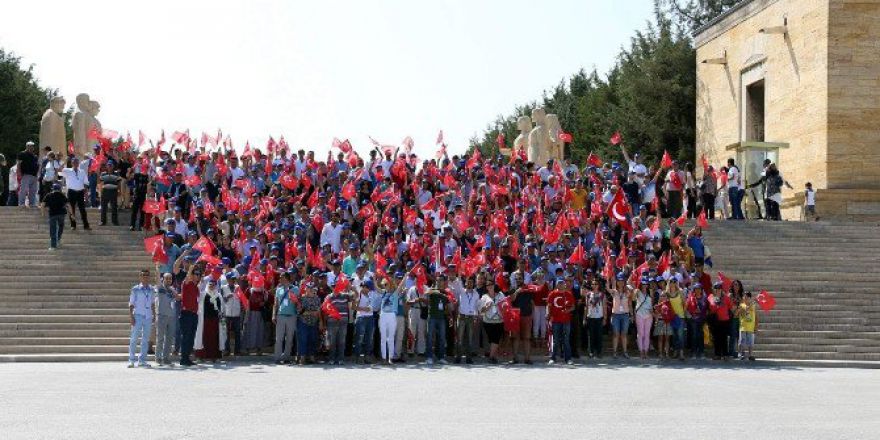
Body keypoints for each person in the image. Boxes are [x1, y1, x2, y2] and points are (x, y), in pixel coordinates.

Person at [128, 269, 156, 368]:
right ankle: (131, 360)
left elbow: (152, 303)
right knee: (134, 338)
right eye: (143, 275)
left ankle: (142, 360)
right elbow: (131, 304)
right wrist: (131, 316)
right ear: (140, 277)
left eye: (147, 275)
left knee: (145, 339)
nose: (145, 277)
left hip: (148, 316)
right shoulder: (135, 289)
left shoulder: (152, 289)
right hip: (138, 315)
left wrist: (154, 315)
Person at [195, 274, 225, 362]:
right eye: (210, 285)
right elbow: (198, 300)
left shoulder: (219, 295)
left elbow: (222, 307)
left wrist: (222, 316)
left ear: (216, 286)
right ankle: (202, 356)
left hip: (216, 320)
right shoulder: (203, 294)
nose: (211, 286)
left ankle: (214, 356)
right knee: (205, 337)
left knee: (215, 339)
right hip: (205, 320)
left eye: (213, 285)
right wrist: (200, 282)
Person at [546, 278, 575, 365]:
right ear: (557, 284)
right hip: (556, 320)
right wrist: (548, 315)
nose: (561, 284)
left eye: (562, 283)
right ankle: (553, 358)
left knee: (566, 340)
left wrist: (568, 310)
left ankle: (568, 359)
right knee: (555, 340)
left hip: (566, 320)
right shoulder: (552, 294)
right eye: (559, 283)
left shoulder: (569, 294)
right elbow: (549, 306)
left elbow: (573, 307)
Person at [424, 276, 451, 365]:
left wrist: (449, 314)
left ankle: (441, 357)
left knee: (442, 338)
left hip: (441, 318)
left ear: (444, 282)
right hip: (432, 317)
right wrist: (439, 293)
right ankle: (429, 357)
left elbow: (448, 306)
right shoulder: (432, 289)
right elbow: (427, 292)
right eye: (438, 280)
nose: (439, 282)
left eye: (441, 280)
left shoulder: (446, 292)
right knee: (430, 337)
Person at [273, 271, 298, 364]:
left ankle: (286, 357)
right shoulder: (278, 290)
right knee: (279, 338)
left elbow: (298, 303)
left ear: (286, 278)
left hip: (292, 316)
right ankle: (277, 357)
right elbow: (275, 304)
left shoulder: (295, 289)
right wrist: (273, 315)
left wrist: (295, 301)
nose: (280, 279)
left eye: (281, 277)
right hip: (281, 316)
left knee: (290, 338)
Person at [177, 265, 200, 366]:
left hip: (194, 314)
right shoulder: (186, 283)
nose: (198, 276)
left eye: (199, 274)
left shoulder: (196, 287)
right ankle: (183, 358)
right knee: (186, 337)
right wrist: (191, 269)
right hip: (186, 314)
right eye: (196, 274)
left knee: (191, 337)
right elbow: (187, 277)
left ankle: (187, 358)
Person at [455, 275, 480, 364]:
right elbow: (457, 281)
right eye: (468, 282)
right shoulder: (461, 291)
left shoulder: (476, 294)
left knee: (469, 339)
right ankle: (458, 357)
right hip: (461, 317)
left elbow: (476, 306)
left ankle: (468, 358)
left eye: (471, 282)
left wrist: (476, 317)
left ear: (473, 283)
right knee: (460, 339)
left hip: (470, 318)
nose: (469, 283)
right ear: (465, 283)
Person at [154, 272, 178, 366]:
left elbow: (178, 297)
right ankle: (158, 358)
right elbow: (157, 279)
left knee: (169, 339)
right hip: (162, 316)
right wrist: (157, 269)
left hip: (171, 316)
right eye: (167, 278)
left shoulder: (172, 289)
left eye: (170, 278)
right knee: (160, 338)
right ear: (163, 279)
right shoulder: (160, 287)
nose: (169, 280)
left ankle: (166, 358)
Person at [59, 157, 90, 230]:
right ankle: (73, 225)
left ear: (78, 163)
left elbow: (86, 182)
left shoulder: (82, 171)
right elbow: (59, 170)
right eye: (74, 162)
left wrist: (86, 193)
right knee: (71, 209)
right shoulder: (67, 170)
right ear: (71, 163)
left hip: (80, 192)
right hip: (71, 192)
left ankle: (86, 225)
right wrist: (65, 161)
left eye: (77, 162)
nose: (75, 163)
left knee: (82, 209)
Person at [478, 282, 505, 364]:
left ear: (494, 285)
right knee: (492, 340)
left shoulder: (500, 295)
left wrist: (503, 306)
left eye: (491, 285)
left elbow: (506, 304)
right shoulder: (484, 297)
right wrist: (486, 307)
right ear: (486, 287)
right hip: (488, 321)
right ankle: (493, 356)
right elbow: (481, 311)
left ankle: (491, 357)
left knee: (496, 339)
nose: (490, 286)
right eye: (488, 285)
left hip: (499, 320)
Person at [296, 282, 322, 365]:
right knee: (303, 339)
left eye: (312, 288)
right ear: (305, 289)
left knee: (313, 339)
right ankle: (302, 357)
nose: (310, 290)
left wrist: (321, 321)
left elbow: (319, 311)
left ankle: (312, 357)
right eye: (309, 288)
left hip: (314, 322)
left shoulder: (317, 298)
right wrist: (311, 313)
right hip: (303, 322)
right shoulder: (301, 298)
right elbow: (300, 311)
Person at [608, 275, 633, 358]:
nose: (620, 282)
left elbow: (630, 304)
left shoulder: (627, 292)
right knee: (616, 334)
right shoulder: (614, 291)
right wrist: (609, 278)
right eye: (619, 281)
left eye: (622, 281)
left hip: (625, 315)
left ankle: (625, 352)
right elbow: (607, 288)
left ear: (624, 282)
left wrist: (632, 315)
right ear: (617, 282)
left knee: (624, 334)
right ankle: (614, 352)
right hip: (616, 315)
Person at [584, 277, 607, 358]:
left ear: (598, 285)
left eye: (596, 284)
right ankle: (591, 351)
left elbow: (604, 307)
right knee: (591, 336)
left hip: (599, 317)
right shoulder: (588, 294)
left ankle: (599, 352)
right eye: (593, 284)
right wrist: (584, 318)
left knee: (599, 336)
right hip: (590, 317)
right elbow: (586, 307)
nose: (594, 285)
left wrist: (605, 318)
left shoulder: (602, 295)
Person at [40, 183, 68, 250]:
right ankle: (58, 239)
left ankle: (53, 246)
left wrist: (43, 213)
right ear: (60, 189)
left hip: (52, 214)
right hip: (61, 214)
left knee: (53, 230)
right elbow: (68, 205)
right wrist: (72, 214)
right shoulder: (62, 195)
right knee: (61, 226)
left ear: (53, 189)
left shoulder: (48, 195)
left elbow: (42, 204)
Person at [633, 278, 653, 359]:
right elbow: (633, 299)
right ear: (641, 285)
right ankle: (641, 352)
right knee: (641, 334)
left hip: (649, 315)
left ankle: (646, 352)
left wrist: (652, 310)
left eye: (646, 284)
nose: (644, 285)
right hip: (639, 314)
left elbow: (651, 303)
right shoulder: (638, 292)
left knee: (647, 334)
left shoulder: (650, 292)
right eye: (643, 284)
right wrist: (635, 291)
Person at [17, 141, 39, 208]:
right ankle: (21, 204)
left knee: (33, 190)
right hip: (26, 174)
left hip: (34, 175)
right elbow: (18, 164)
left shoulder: (35, 156)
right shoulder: (22, 154)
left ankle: (32, 204)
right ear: (27, 146)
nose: (31, 147)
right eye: (30, 146)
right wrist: (19, 172)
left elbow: (37, 165)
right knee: (23, 190)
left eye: (32, 146)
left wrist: (37, 175)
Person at [737, 292, 758, 361]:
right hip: (743, 326)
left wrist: (756, 326)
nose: (745, 298)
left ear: (750, 298)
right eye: (744, 297)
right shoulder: (741, 305)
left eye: (746, 297)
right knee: (742, 341)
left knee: (751, 342)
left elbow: (756, 316)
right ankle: (740, 354)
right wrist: (745, 309)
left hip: (751, 327)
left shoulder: (753, 306)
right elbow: (738, 313)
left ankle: (750, 355)